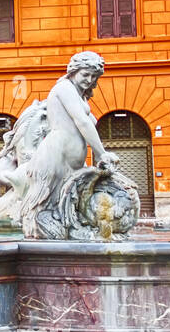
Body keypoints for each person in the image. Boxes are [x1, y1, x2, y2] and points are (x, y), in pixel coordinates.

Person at [19, 51, 121, 237]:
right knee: (44, 203)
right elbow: (81, 121)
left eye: (94, 76)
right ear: (74, 71)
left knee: (66, 204)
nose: (89, 80)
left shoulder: (78, 94)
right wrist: (101, 153)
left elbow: (89, 122)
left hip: (70, 160)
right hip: (56, 155)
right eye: (85, 74)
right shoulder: (64, 88)